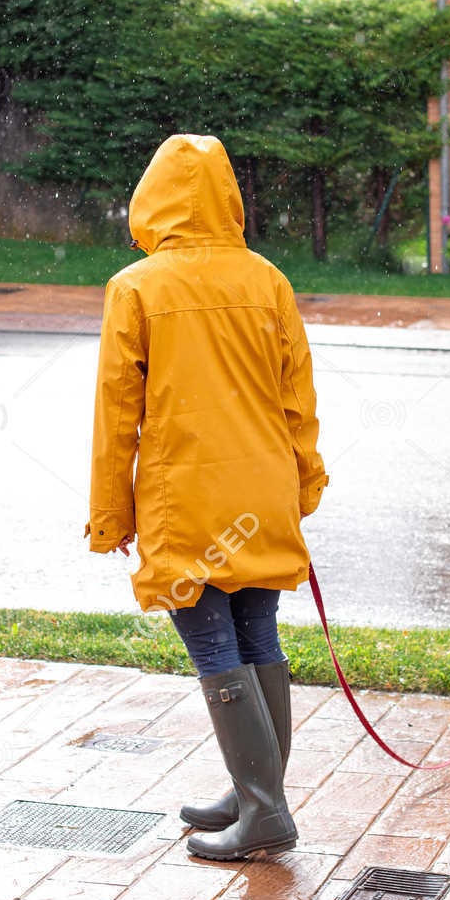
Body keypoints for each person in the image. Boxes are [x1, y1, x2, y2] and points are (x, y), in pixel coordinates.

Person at [87, 134, 327, 862]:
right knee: (258, 636)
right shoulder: (268, 281)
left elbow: (115, 414)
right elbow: (298, 399)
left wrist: (110, 516)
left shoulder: (137, 287)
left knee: (214, 643)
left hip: (184, 498)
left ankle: (263, 810)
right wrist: (306, 480)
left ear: (152, 199)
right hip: (263, 490)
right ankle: (256, 792)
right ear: (228, 198)